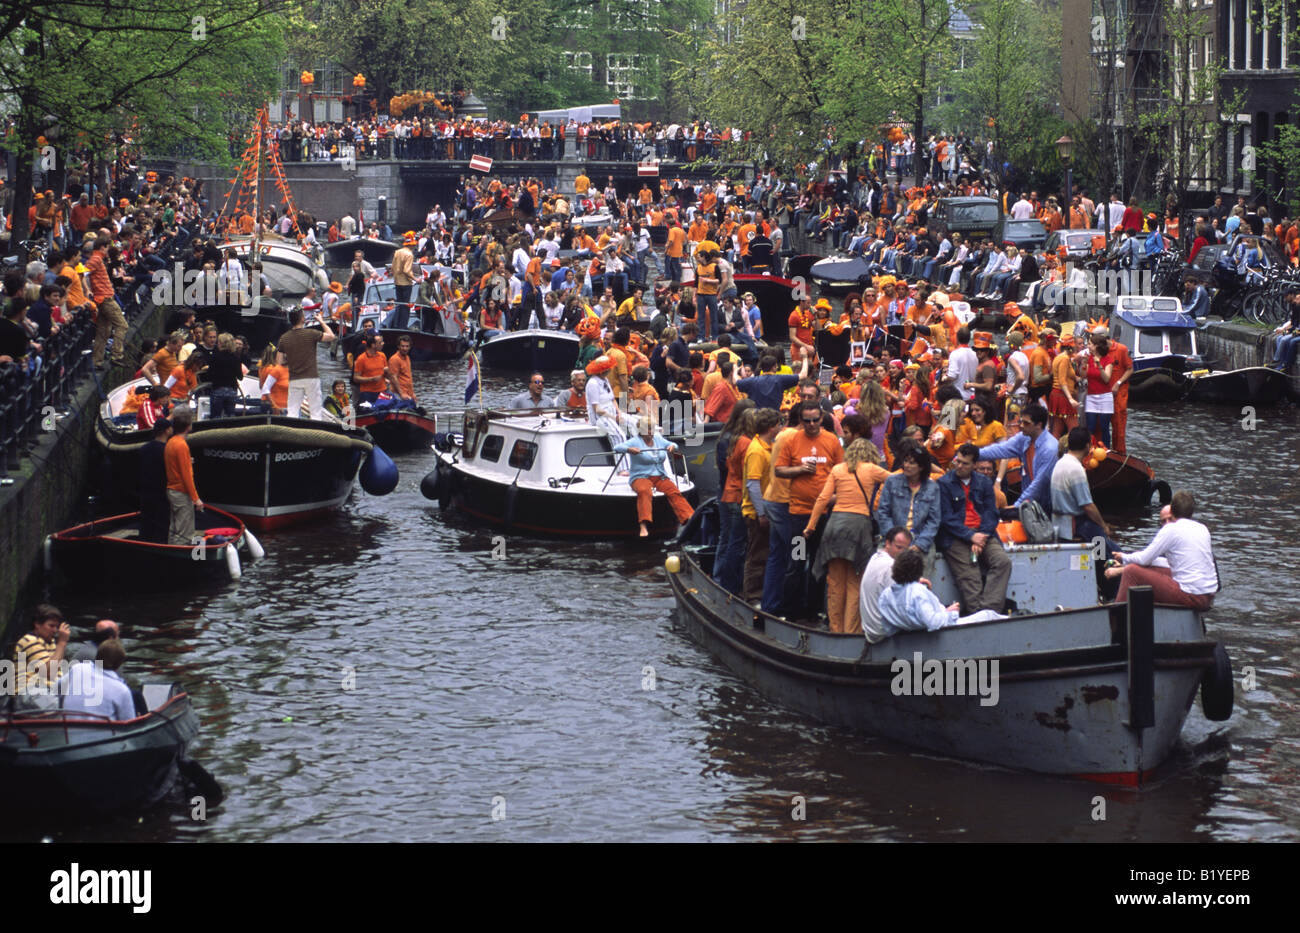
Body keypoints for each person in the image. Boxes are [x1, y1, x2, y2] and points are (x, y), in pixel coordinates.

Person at [804, 438, 891, 633]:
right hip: (859, 528)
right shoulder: (872, 469)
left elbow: (823, 498)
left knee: (835, 583)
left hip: (834, 526)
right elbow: (897, 478)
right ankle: (851, 632)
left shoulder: (837, 469)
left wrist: (810, 526)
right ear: (870, 454)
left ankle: (835, 630)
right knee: (855, 581)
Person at [775, 401, 845, 621]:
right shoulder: (792, 439)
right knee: (796, 562)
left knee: (818, 563)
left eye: (816, 420)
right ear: (801, 420)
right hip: (799, 515)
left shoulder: (832, 440)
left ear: (822, 417)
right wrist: (799, 469)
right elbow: (779, 470)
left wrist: (833, 499)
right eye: (807, 421)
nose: (812, 424)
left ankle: (813, 610)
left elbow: (842, 472)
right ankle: (790, 611)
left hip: (824, 515)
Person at [1104, 490, 1218, 610]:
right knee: (1146, 568)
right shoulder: (1202, 528)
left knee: (1131, 572)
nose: (1166, 523)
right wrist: (1125, 563)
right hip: (1207, 597)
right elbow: (1165, 563)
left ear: (1172, 511)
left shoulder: (1171, 529)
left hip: (1191, 596)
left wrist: (1124, 558)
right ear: (1191, 512)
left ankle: (1116, 618)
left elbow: (1144, 559)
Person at [937, 444, 1012, 615]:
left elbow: (991, 513)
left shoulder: (984, 482)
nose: (959, 466)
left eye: (965, 463)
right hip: (956, 537)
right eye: (957, 461)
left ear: (974, 465)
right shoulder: (944, 483)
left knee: (1002, 562)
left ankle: (988, 612)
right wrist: (971, 536)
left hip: (983, 533)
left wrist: (982, 536)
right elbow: (946, 518)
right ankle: (979, 616)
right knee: (971, 577)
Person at [877, 548, 1006, 638]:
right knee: (988, 615)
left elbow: (888, 629)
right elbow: (933, 623)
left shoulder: (886, 595)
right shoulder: (917, 593)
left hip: (912, 635)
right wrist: (949, 612)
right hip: (947, 629)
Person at [611, 417, 695, 537]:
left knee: (673, 490)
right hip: (640, 476)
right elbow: (617, 448)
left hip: (659, 476)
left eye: (651, 429)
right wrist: (629, 450)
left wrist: (672, 447)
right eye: (647, 429)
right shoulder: (635, 441)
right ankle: (643, 525)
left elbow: (673, 445)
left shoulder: (658, 439)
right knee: (644, 491)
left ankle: (689, 518)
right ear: (641, 430)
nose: (650, 432)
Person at [1051, 426, 1120, 557]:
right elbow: (1087, 505)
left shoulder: (1060, 463)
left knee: (1109, 545)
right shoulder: (1076, 469)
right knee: (1113, 553)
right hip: (1076, 524)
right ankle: (1105, 571)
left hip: (1060, 522)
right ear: (1088, 446)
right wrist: (1104, 526)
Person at [977, 403, 1057, 513]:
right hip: (1030, 501)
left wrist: (1018, 506)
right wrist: (974, 454)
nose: (1021, 426)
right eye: (1020, 422)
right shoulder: (1025, 437)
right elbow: (1002, 449)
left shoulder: (1050, 449)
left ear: (1039, 425)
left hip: (1047, 503)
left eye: (1026, 423)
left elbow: (1039, 484)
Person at [876, 444, 942, 567]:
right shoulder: (892, 482)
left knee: (918, 580)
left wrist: (920, 544)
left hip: (920, 539)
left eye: (912, 463)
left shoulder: (933, 487)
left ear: (921, 467)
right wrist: (893, 539)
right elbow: (883, 512)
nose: (906, 465)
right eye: (905, 461)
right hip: (893, 536)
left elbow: (934, 520)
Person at [742, 408, 783, 602]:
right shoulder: (757, 451)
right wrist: (761, 514)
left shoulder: (769, 446)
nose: (780, 427)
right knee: (757, 555)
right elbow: (753, 484)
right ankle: (753, 597)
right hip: (757, 513)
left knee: (767, 553)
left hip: (769, 510)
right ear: (771, 427)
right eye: (778, 424)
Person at [56, 639, 136, 721]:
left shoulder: (77, 669)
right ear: (119, 665)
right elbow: (129, 724)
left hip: (68, 731)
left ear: (97, 655)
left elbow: (56, 689)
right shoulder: (122, 690)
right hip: (105, 733)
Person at [859, 526, 914, 644]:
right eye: (899, 548)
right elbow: (900, 606)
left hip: (870, 628)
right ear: (888, 543)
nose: (902, 553)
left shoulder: (875, 557)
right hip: (881, 631)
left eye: (906, 550)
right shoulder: (891, 566)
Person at [278, 307, 334, 419]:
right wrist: (321, 321)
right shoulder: (311, 333)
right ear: (303, 319)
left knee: (292, 412)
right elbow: (331, 336)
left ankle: (291, 433)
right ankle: (315, 433)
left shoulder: (284, 338)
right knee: (315, 412)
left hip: (294, 378)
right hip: (311, 377)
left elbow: (279, 362)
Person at [12, 605, 72, 700]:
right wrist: (62, 643)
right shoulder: (29, 641)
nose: (55, 630)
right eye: (51, 626)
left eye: (57, 627)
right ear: (37, 624)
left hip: (49, 691)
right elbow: (48, 672)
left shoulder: (50, 642)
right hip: (29, 693)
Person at [165, 407, 203, 545]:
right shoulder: (182, 445)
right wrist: (196, 498)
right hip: (181, 492)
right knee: (184, 532)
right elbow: (186, 476)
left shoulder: (171, 442)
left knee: (174, 528)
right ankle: (182, 560)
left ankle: (170, 553)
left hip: (172, 490)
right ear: (188, 427)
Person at [138, 417, 173, 543]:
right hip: (162, 492)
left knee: (146, 522)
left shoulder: (144, 449)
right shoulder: (167, 450)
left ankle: (143, 545)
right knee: (162, 524)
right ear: (167, 430)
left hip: (146, 491)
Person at [352, 335, 389, 404]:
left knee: (386, 410)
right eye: (380, 343)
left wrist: (387, 372)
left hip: (382, 391)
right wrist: (371, 379)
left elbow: (385, 375)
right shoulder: (361, 358)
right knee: (368, 412)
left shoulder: (382, 355)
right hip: (367, 393)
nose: (383, 344)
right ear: (373, 345)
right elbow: (355, 378)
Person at [388, 335, 417, 404]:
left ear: (410, 347)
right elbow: (393, 378)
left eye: (407, 346)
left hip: (408, 393)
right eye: (402, 346)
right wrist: (401, 394)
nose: (405, 348)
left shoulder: (407, 358)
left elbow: (408, 377)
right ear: (398, 346)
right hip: (398, 394)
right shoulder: (394, 359)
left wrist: (412, 394)